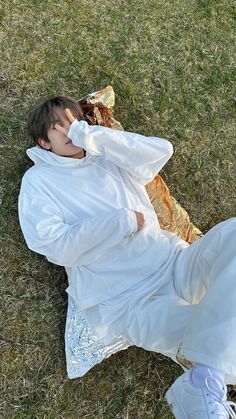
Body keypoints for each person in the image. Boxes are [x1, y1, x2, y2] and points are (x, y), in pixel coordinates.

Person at [18, 95, 236, 418]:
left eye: (72, 121)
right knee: (211, 340)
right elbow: (54, 243)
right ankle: (205, 382)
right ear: (43, 142)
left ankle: (203, 381)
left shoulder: (105, 154)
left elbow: (161, 151)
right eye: (58, 127)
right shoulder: (37, 183)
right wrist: (119, 222)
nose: (68, 130)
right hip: (132, 301)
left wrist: (90, 136)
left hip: (175, 262)